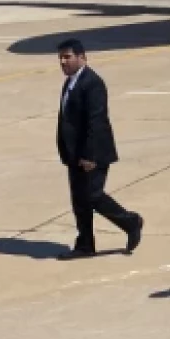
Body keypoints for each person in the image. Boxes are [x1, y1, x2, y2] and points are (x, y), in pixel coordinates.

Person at [54, 39, 143, 260]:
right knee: (80, 200)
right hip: (74, 153)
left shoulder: (92, 83)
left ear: (82, 57)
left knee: (93, 196)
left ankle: (131, 222)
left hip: (92, 153)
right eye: (61, 58)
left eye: (67, 57)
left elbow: (96, 121)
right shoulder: (70, 83)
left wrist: (89, 155)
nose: (63, 62)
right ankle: (85, 244)